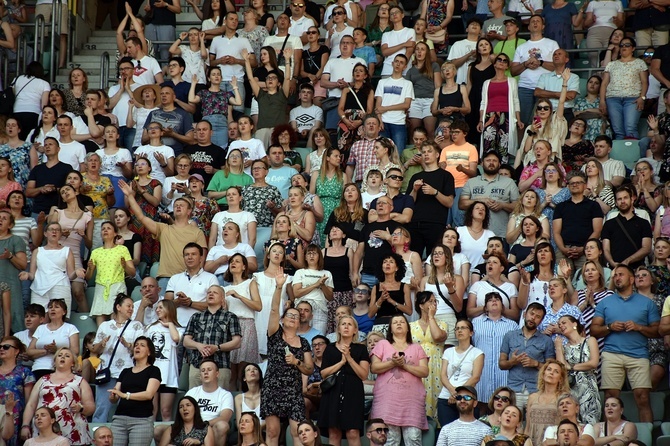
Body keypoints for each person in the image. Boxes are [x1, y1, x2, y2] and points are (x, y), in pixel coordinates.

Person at [592, 264, 660, 423]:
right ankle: (609, 437)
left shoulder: (647, 303)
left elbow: (657, 331)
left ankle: (647, 436)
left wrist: (639, 327)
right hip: (611, 354)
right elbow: (594, 330)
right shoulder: (605, 302)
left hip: (639, 355)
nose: (617, 278)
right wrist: (609, 327)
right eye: (615, 275)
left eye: (621, 275)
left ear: (631, 279)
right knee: (610, 399)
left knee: (643, 397)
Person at [261, 269, 314, 446]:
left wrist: (296, 362)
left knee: (298, 431)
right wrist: (279, 287)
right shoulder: (275, 334)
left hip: (294, 390)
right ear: (283, 320)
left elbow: (309, 368)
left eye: (296, 316)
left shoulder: (304, 343)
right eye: (289, 315)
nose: (292, 318)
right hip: (272, 388)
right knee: (272, 431)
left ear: (299, 323)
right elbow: (274, 309)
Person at [370, 315, 428, 446]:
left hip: (411, 401)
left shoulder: (416, 347)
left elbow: (424, 371)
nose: (399, 324)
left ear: (408, 328)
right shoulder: (382, 344)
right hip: (387, 401)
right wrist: (393, 363)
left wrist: (404, 365)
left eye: (402, 321)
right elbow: (374, 367)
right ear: (390, 328)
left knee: (413, 439)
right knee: (389, 440)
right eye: (395, 322)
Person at [21, 347, 94, 446]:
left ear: (73, 363)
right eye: (59, 355)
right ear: (54, 362)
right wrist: (25, 425)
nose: (62, 357)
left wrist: (81, 408)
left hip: (72, 429)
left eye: (67, 356)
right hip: (44, 430)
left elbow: (90, 406)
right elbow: (31, 405)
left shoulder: (80, 381)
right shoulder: (43, 380)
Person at [91, 294, 146, 423]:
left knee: (127, 408)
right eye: (128, 306)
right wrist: (101, 344)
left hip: (128, 372)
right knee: (102, 407)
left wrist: (127, 344)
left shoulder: (136, 325)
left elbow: (142, 350)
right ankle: (98, 433)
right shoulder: (105, 325)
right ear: (118, 307)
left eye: (132, 306)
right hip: (107, 371)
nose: (131, 309)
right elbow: (94, 350)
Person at [318, 315, 369, 446]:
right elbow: (323, 373)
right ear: (338, 329)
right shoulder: (330, 348)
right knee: (334, 433)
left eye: (349, 324)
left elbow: (364, 374)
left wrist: (349, 358)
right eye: (343, 324)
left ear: (355, 330)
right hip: (332, 393)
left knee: (353, 432)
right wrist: (341, 363)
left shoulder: (361, 349)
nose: (346, 326)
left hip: (353, 393)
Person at [499, 302, 555, 410]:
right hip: (514, 390)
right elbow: (501, 364)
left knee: (535, 425)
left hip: (536, 390)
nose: (533, 318)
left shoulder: (546, 341)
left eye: (537, 316)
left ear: (541, 321)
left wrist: (536, 363)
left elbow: (551, 369)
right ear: (524, 314)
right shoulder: (509, 336)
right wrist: (512, 362)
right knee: (514, 424)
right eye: (531, 314)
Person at [108, 336, 161, 446]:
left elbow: (148, 394)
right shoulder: (125, 371)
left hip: (141, 420)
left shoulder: (154, 370)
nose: (137, 347)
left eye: (142, 345)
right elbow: (115, 396)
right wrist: (113, 396)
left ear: (149, 352)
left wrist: (125, 395)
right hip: (119, 419)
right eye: (136, 345)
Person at [406, 141, 455, 257]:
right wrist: (414, 190)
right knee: (413, 257)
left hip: (436, 224)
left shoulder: (446, 176)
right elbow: (408, 203)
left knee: (434, 258)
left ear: (437, 155)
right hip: (415, 223)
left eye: (429, 151)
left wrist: (435, 192)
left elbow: (450, 202)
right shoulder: (415, 177)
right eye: (423, 152)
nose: (426, 154)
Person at [510, 15, 559, 127]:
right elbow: (513, 71)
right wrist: (525, 64)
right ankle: (523, 145)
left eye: (538, 21)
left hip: (545, 87)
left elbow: (557, 66)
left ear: (543, 26)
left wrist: (540, 63)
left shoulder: (552, 44)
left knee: (544, 121)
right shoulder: (521, 47)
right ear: (528, 27)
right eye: (532, 21)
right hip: (524, 88)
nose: (535, 23)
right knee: (522, 122)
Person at [553, 171, 604, 272]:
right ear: (568, 186)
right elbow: (556, 232)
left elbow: (597, 231)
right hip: (564, 249)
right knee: (563, 281)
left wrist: (584, 248)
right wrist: (563, 249)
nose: (575, 185)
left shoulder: (594, 206)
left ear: (585, 185)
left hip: (586, 249)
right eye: (572, 183)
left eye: (578, 182)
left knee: (586, 280)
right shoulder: (560, 207)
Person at [600, 37, 649, 140]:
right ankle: (620, 155)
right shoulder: (611, 64)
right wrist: (602, 101)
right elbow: (604, 83)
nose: (624, 47)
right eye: (622, 45)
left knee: (630, 128)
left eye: (627, 45)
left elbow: (645, 82)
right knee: (618, 131)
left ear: (633, 48)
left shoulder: (640, 63)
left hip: (633, 98)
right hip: (612, 99)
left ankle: (633, 155)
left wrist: (642, 97)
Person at [437, 319, 484, 427]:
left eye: (463, 328)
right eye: (457, 328)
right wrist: (453, 392)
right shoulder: (448, 351)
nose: (459, 330)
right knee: (447, 430)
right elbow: (443, 375)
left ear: (471, 332)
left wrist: (459, 394)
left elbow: (475, 377)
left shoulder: (477, 353)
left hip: (467, 399)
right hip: (446, 397)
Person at [555, 315, 601, 425]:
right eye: (559, 324)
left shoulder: (590, 340)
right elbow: (562, 367)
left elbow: (594, 363)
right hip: (571, 390)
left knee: (590, 425)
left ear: (574, 324)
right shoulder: (564, 347)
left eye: (564, 322)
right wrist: (558, 347)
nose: (561, 325)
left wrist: (571, 367)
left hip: (589, 390)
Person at [87, 222, 135, 325]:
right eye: (103, 228)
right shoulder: (95, 252)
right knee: (100, 316)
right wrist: (90, 269)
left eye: (108, 228)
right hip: (100, 287)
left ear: (115, 233)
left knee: (117, 316)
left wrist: (125, 266)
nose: (105, 230)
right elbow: (88, 277)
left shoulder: (122, 249)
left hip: (117, 285)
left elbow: (132, 272)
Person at [409, 291, 447, 418]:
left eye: (435, 301)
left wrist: (431, 317)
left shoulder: (442, 324)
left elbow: (437, 336)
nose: (434, 304)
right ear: (421, 305)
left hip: (437, 365)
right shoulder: (410, 326)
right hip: (417, 366)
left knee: (436, 397)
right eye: (430, 301)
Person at [144, 300, 183, 422]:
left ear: (169, 309)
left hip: (169, 375)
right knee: (152, 411)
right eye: (157, 308)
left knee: (166, 411)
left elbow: (176, 338)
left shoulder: (178, 329)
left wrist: (170, 324)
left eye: (161, 307)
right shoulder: (150, 328)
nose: (157, 310)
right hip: (151, 374)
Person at [181, 360, 234, 446]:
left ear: (217, 374)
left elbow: (225, 418)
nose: (206, 372)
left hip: (212, 429)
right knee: (159, 430)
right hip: (191, 427)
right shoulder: (192, 392)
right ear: (200, 376)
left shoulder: (225, 395)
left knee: (222, 425)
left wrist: (203, 425)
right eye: (203, 370)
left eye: (209, 370)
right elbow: (182, 412)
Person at [26, 299, 79, 380]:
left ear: (64, 312)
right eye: (50, 307)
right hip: (39, 368)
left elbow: (75, 351)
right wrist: (46, 350)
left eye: (56, 307)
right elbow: (29, 351)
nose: (52, 309)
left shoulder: (70, 328)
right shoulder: (41, 328)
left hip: (61, 369)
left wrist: (56, 350)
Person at [601, 186, 652, 268]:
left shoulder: (643, 223)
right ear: (616, 202)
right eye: (619, 199)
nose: (623, 201)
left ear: (632, 200)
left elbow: (646, 248)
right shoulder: (609, 224)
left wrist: (628, 261)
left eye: (625, 198)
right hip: (615, 269)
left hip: (637, 269)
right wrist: (612, 263)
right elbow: (606, 249)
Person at [0, 335, 35, 445]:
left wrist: (26, 424)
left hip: (16, 417)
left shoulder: (24, 372)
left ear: (16, 351)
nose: (1, 349)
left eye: (6, 347)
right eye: (0, 346)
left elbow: (29, 401)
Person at [524, 360, 569, 446]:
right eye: (549, 369)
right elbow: (528, 426)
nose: (551, 373)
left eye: (556, 371)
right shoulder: (532, 397)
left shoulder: (563, 398)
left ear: (560, 379)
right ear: (543, 373)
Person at [467, 252, 519, 320]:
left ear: (501, 268)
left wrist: (501, 309)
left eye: (495, 262)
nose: (490, 264)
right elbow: (469, 312)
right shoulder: (477, 285)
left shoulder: (510, 287)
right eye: (488, 262)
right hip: (480, 325)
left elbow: (515, 314)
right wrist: (485, 308)